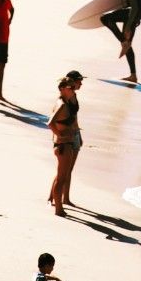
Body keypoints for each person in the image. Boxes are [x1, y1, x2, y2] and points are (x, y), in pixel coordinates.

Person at [100, 0, 141, 82]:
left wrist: (130, 24)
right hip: (133, 13)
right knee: (128, 44)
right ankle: (133, 75)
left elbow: (135, 5)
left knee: (105, 19)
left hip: (131, 13)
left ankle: (124, 42)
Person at [49, 72, 83, 215]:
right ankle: (58, 208)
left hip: (66, 143)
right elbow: (50, 123)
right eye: (71, 87)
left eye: (73, 87)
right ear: (63, 88)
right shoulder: (62, 104)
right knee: (62, 177)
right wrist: (60, 135)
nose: (73, 89)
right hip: (63, 145)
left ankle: (57, 203)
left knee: (62, 175)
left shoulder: (68, 101)